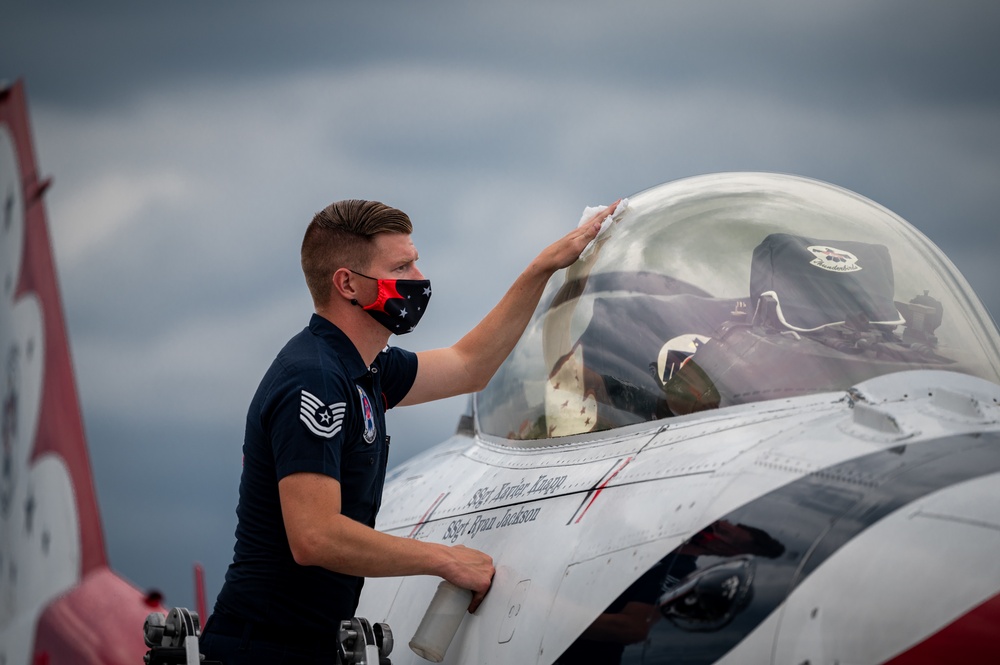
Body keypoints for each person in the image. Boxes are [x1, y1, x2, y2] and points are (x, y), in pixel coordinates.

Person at [200, 198, 619, 664]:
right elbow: (314, 536)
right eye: (402, 266)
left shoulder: (364, 369)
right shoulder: (314, 378)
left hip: (303, 646)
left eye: (415, 261)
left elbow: (469, 366)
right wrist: (445, 559)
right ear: (347, 284)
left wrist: (542, 268)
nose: (419, 279)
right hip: (262, 648)